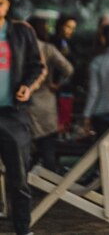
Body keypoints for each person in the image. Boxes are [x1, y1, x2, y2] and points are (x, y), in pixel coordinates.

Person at [0, 0, 46, 235]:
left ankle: (22, 229)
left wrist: (27, 87)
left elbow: (38, 66)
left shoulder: (20, 32)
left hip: (13, 115)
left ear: (7, 4)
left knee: (18, 178)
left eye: (0, 3)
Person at [26, 15, 74, 172]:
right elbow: (68, 69)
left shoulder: (20, 47)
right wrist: (57, 85)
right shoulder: (47, 48)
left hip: (26, 104)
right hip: (47, 103)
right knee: (48, 151)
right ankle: (51, 190)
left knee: (26, 152)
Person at [83, 23, 109, 137]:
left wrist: (87, 115)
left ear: (103, 39)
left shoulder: (97, 62)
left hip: (101, 112)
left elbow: (94, 91)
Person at [51, 13, 77, 135]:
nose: (70, 31)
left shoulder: (70, 45)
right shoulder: (52, 43)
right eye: (68, 27)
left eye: (73, 28)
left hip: (66, 88)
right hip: (54, 87)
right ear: (60, 26)